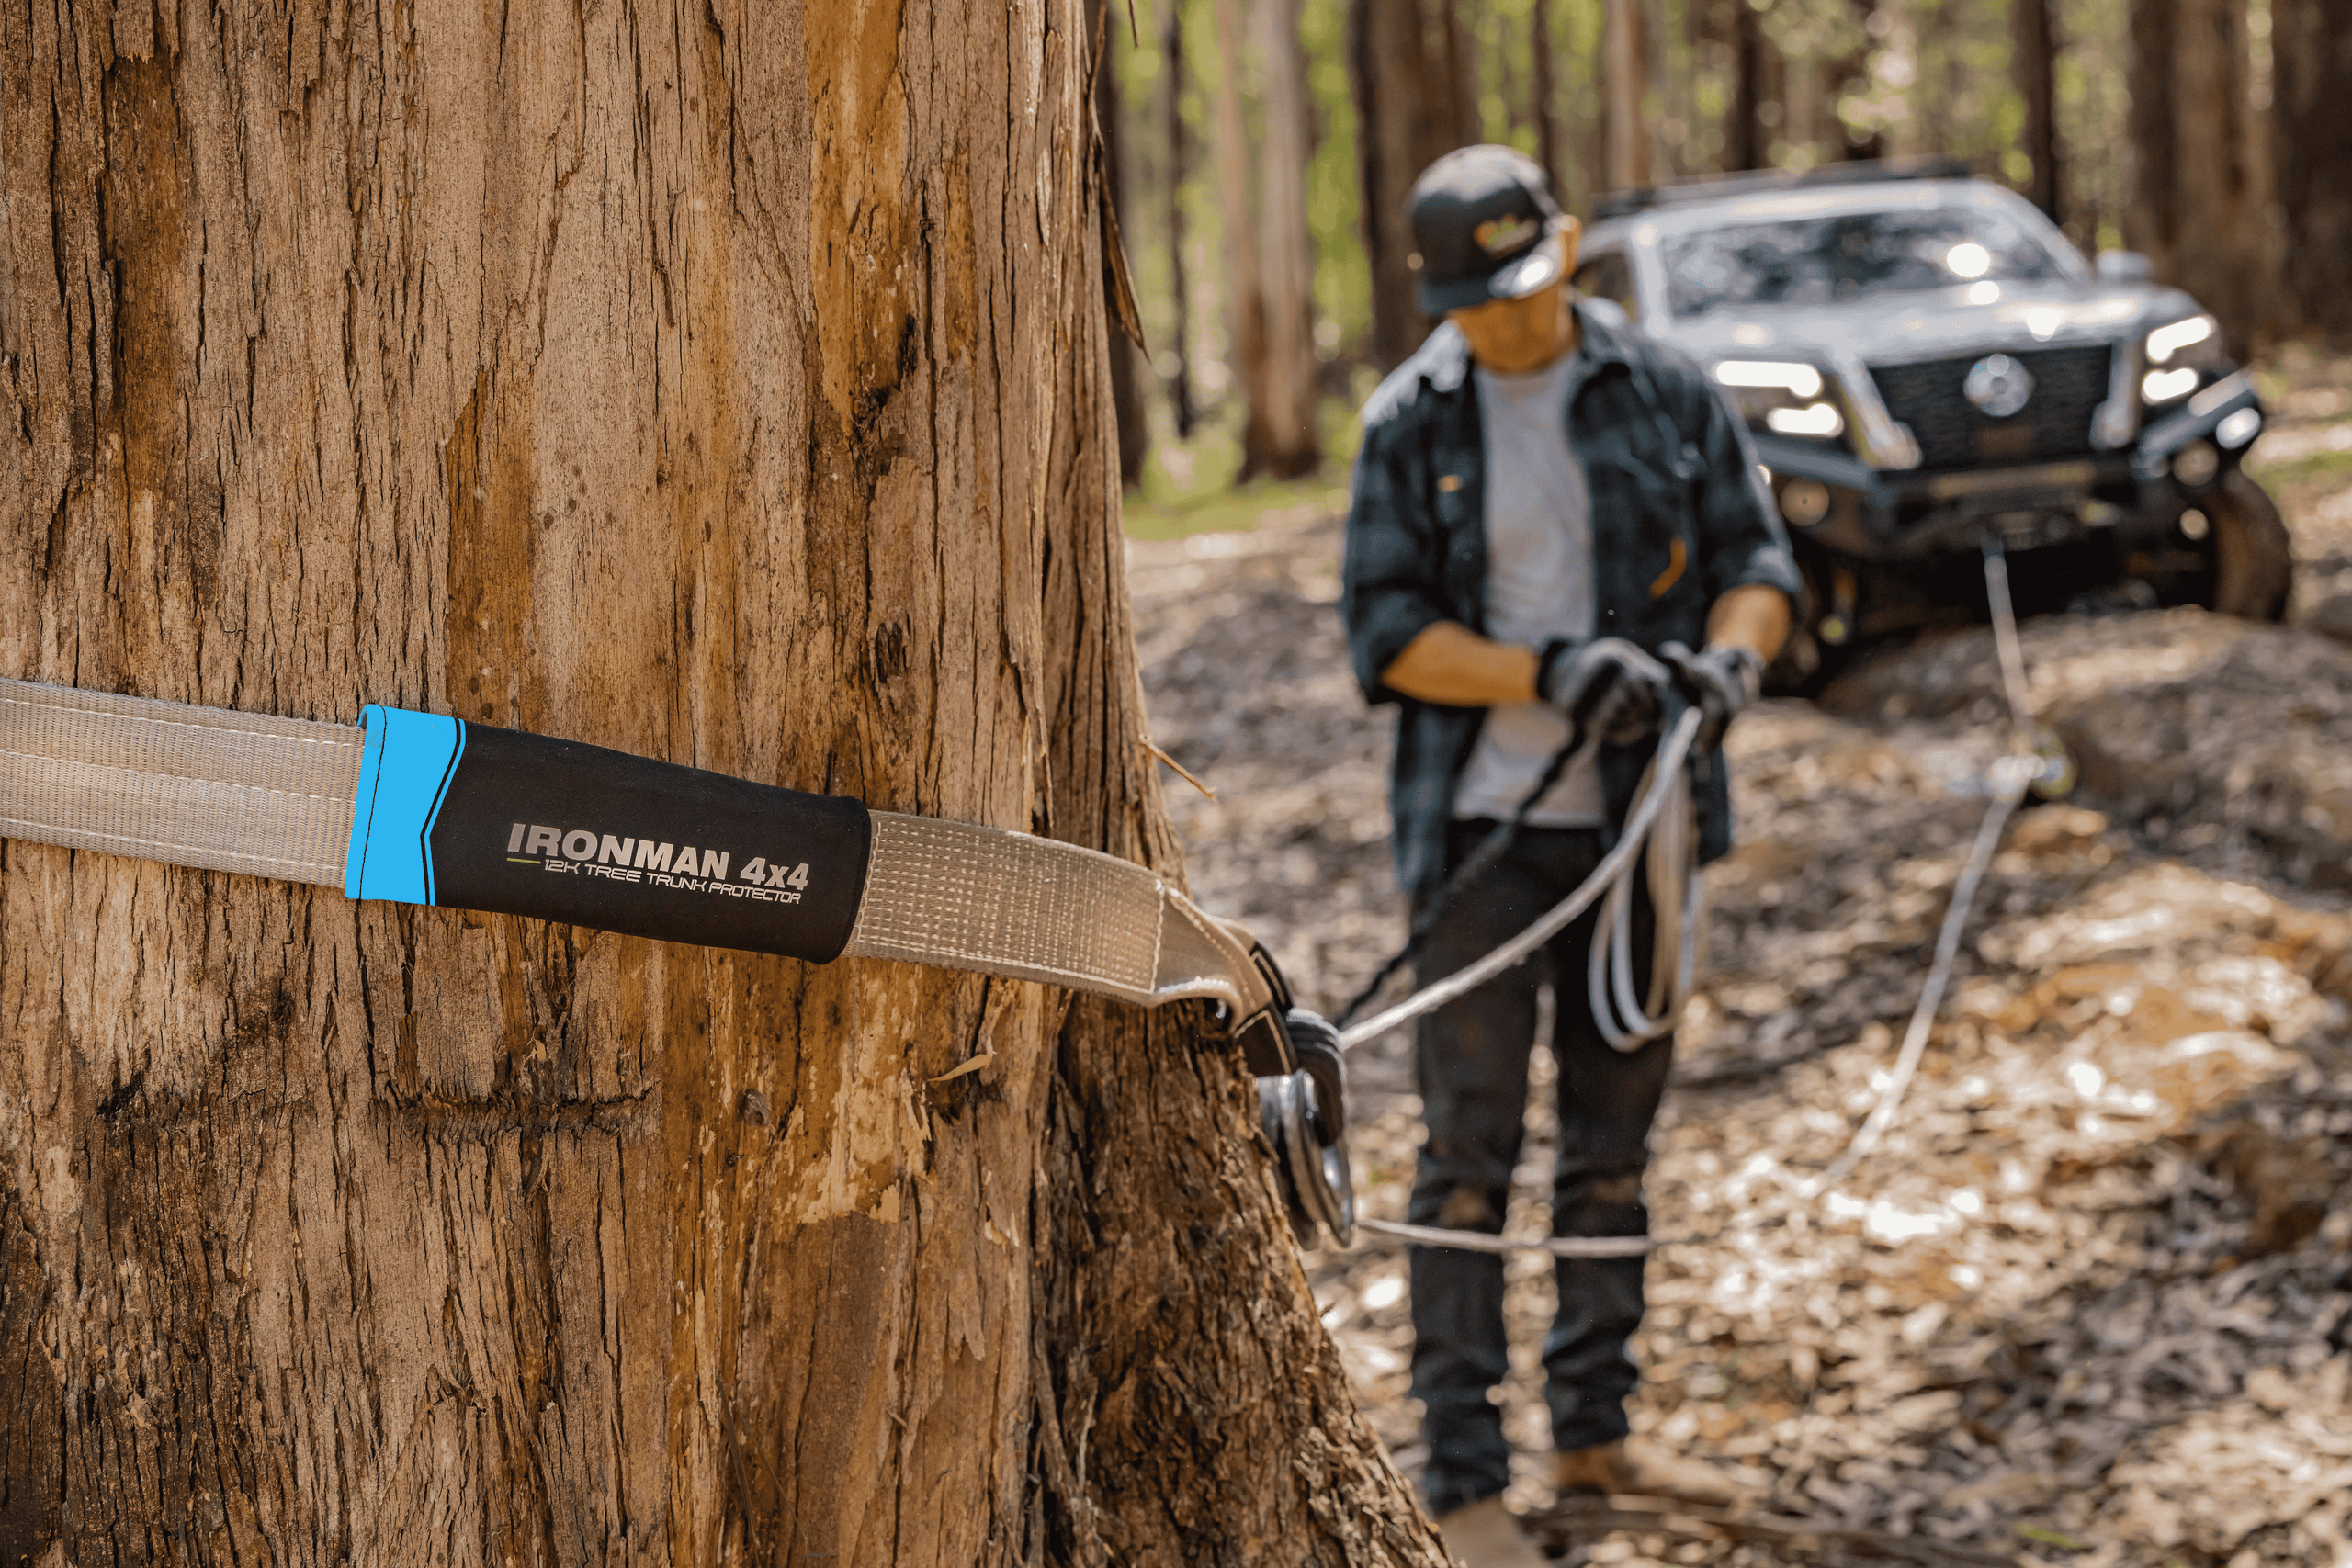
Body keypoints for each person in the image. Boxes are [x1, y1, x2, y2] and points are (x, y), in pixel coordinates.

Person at [1340, 145, 1798, 1566]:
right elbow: (1389, 636)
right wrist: (1551, 670)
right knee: (1467, 1156)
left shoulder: (1663, 388)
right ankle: (1464, 1472)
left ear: (1571, 248)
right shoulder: (1408, 423)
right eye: (1477, 299)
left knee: (1614, 1148)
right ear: (1439, 295)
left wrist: (1724, 667)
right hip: (1482, 840)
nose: (1509, 318)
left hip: (1643, 835)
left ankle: (1595, 1429)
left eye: (1526, 285)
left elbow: (1759, 566)